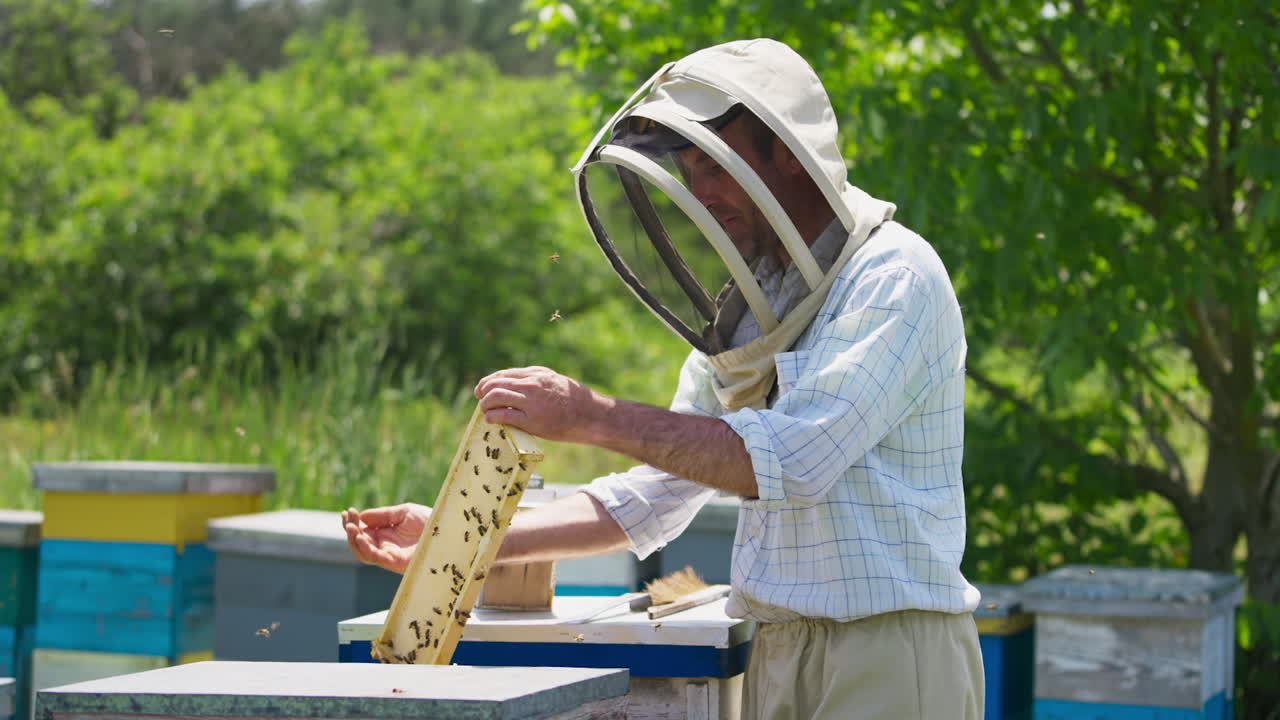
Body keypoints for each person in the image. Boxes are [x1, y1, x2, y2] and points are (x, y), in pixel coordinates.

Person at [344, 38, 984, 719]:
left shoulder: (891, 277)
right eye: (688, 167)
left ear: (789, 157)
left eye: (717, 166)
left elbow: (792, 461)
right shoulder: (754, 311)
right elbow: (653, 495)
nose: (700, 192)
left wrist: (589, 415)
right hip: (773, 649)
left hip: (885, 653)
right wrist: (458, 539)